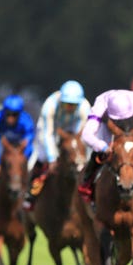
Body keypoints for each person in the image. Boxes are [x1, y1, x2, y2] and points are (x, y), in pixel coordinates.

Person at [77, 89, 133, 202]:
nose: (122, 122)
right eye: (119, 120)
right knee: (97, 155)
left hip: (132, 133)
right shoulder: (100, 104)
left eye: (125, 119)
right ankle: (87, 185)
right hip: (108, 131)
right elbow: (87, 134)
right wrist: (103, 147)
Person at [23, 80, 91, 210]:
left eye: (73, 105)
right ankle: (30, 194)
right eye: (67, 104)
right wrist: (52, 158)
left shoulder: (84, 107)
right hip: (52, 130)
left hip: (73, 128)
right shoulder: (50, 105)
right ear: (61, 101)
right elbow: (47, 134)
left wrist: (83, 157)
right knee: (42, 157)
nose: (70, 108)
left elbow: (84, 134)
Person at [0, 94, 35, 176]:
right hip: (2, 148)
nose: (11, 117)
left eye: (14, 114)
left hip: (19, 150)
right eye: (8, 114)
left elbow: (28, 143)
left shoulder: (26, 121)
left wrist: (23, 158)